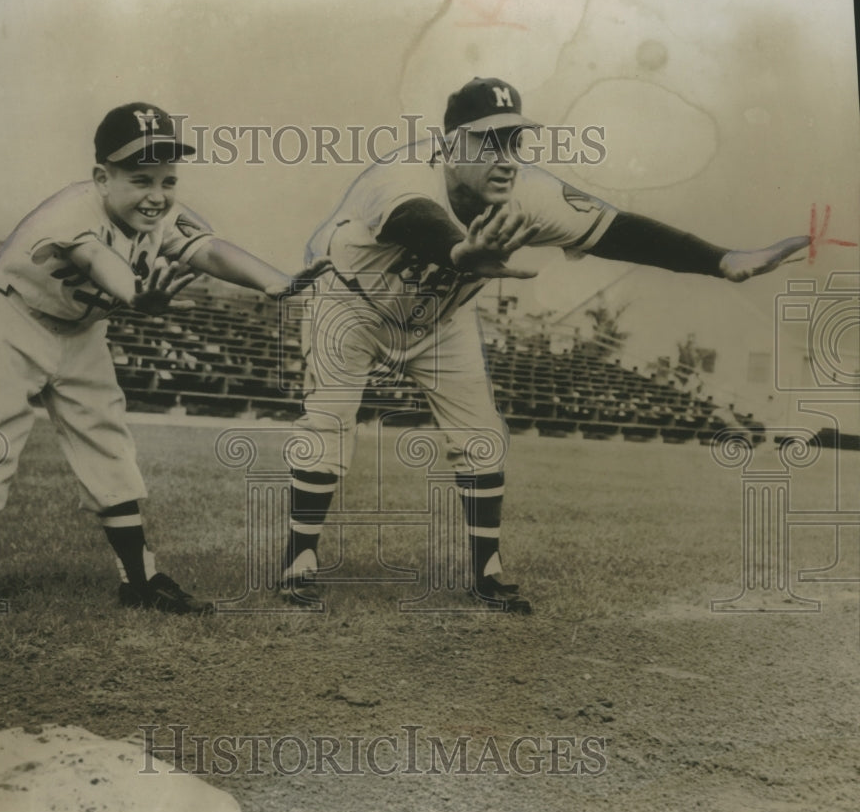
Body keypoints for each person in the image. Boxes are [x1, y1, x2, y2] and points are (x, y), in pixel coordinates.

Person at [280, 76, 808, 612]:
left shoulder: (528, 194)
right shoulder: (400, 173)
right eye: (489, 143)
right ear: (449, 145)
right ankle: (300, 559)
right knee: (327, 421)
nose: (507, 157)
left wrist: (721, 260)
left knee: (482, 435)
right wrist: (461, 253)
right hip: (350, 304)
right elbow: (416, 220)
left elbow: (619, 231)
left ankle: (487, 572)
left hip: (440, 319)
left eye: (514, 142)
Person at [0, 102, 313, 625]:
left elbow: (211, 251)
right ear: (101, 178)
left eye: (167, 179)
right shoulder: (74, 211)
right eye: (140, 179)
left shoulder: (158, 214)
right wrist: (137, 295)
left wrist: (277, 281)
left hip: (81, 328)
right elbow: (96, 260)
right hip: (11, 315)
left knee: (108, 443)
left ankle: (139, 580)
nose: (157, 195)